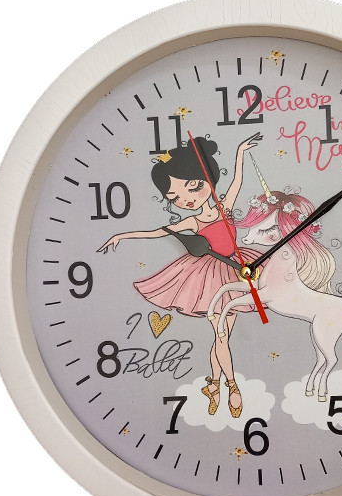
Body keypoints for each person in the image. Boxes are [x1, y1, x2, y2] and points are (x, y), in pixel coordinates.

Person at [97, 133, 263, 418]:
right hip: (208, 279)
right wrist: (122, 235)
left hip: (235, 270)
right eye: (174, 197)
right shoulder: (192, 221)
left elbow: (237, 181)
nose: (185, 200)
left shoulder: (224, 207)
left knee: (220, 338)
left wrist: (239, 152)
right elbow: (156, 233)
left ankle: (214, 386)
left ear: (207, 181)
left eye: (193, 187)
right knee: (221, 335)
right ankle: (233, 387)